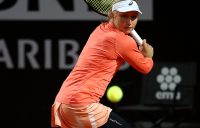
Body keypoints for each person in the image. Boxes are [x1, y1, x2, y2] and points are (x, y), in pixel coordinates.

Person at [51, 0, 154, 127]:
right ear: (112, 15)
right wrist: (148, 56)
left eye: (133, 17)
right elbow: (146, 68)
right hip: (81, 105)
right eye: (124, 16)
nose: (129, 22)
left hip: (62, 103)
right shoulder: (122, 41)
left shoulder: (100, 29)